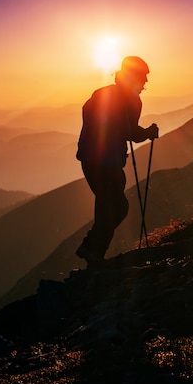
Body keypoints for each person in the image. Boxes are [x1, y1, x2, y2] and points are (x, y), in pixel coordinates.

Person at [75, 56, 159, 265]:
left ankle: (92, 253)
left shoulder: (102, 94)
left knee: (110, 205)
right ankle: (92, 251)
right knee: (116, 206)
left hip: (91, 159)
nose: (145, 82)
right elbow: (128, 131)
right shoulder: (129, 100)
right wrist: (148, 132)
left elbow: (90, 116)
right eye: (143, 77)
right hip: (106, 162)